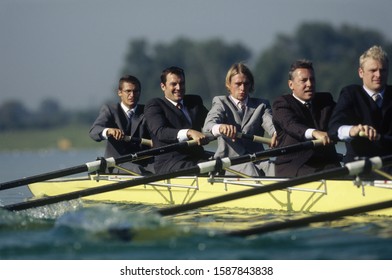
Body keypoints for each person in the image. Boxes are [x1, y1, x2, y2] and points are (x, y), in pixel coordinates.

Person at [203, 62, 277, 177]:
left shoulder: (261, 105)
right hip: (230, 162)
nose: (242, 88)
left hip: (258, 159)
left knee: (273, 167)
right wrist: (220, 127)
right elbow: (208, 125)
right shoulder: (220, 102)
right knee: (249, 167)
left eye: (246, 84)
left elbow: (270, 122)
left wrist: (276, 133)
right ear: (229, 85)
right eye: (238, 84)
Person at [272, 59, 341, 177]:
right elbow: (291, 125)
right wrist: (315, 133)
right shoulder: (282, 103)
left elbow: (342, 117)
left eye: (312, 79)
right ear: (291, 84)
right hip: (295, 165)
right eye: (303, 80)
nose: (309, 84)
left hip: (328, 163)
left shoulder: (325, 100)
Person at [328, 45, 392, 170]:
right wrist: (353, 130)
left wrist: (379, 138)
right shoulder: (350, 94)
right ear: (361, 72)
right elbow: (334, 128)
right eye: (373, 70)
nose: (378, 75)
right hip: (358, 169)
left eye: (383, 70)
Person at [144, 66, 211, 174]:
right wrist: (189, 132)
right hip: (169, 163)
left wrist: (222, 127)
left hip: (198, 158)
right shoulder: (155, 105)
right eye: (173, 84)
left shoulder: (194, 102)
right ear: (163, 86)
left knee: (220, 165)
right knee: (206, 168)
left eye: (182, 83)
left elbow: (210, 122)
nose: (179, 88)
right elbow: (161, 132)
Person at [89, 75, 153, 175]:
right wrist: (109, 131)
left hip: (143, 162)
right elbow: (94, 131)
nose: (132, 95)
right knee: (137, 170)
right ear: (119, 92)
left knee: (161, 167)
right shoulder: (110, 110)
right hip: (115, 164)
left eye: (136, 91)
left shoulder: (147, 111)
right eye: (128, 91)